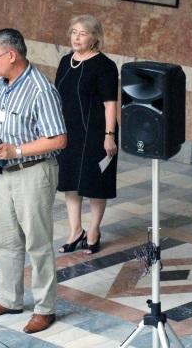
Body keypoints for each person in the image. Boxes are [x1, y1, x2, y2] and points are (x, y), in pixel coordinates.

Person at [0, 29, 67, 334]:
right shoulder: (1, 84)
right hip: (5, 172)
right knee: (5, 240)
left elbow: (58, 139)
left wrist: (16, 150)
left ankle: (44, 308)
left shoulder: (41, 90)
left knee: (37, 243)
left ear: (11, 55)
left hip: (34, 172)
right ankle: (9, 299)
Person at [55, 15, 118, 255]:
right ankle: (75, 231)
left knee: (95, 183)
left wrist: (109, 135)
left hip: (96, 132)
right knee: (70, 181)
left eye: (82, 33)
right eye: (74, 32)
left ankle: (93, 231)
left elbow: (110, 103)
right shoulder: (65, 61)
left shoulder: (105, 65)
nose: (77, 38)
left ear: (95, 38)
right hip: (69, 131)